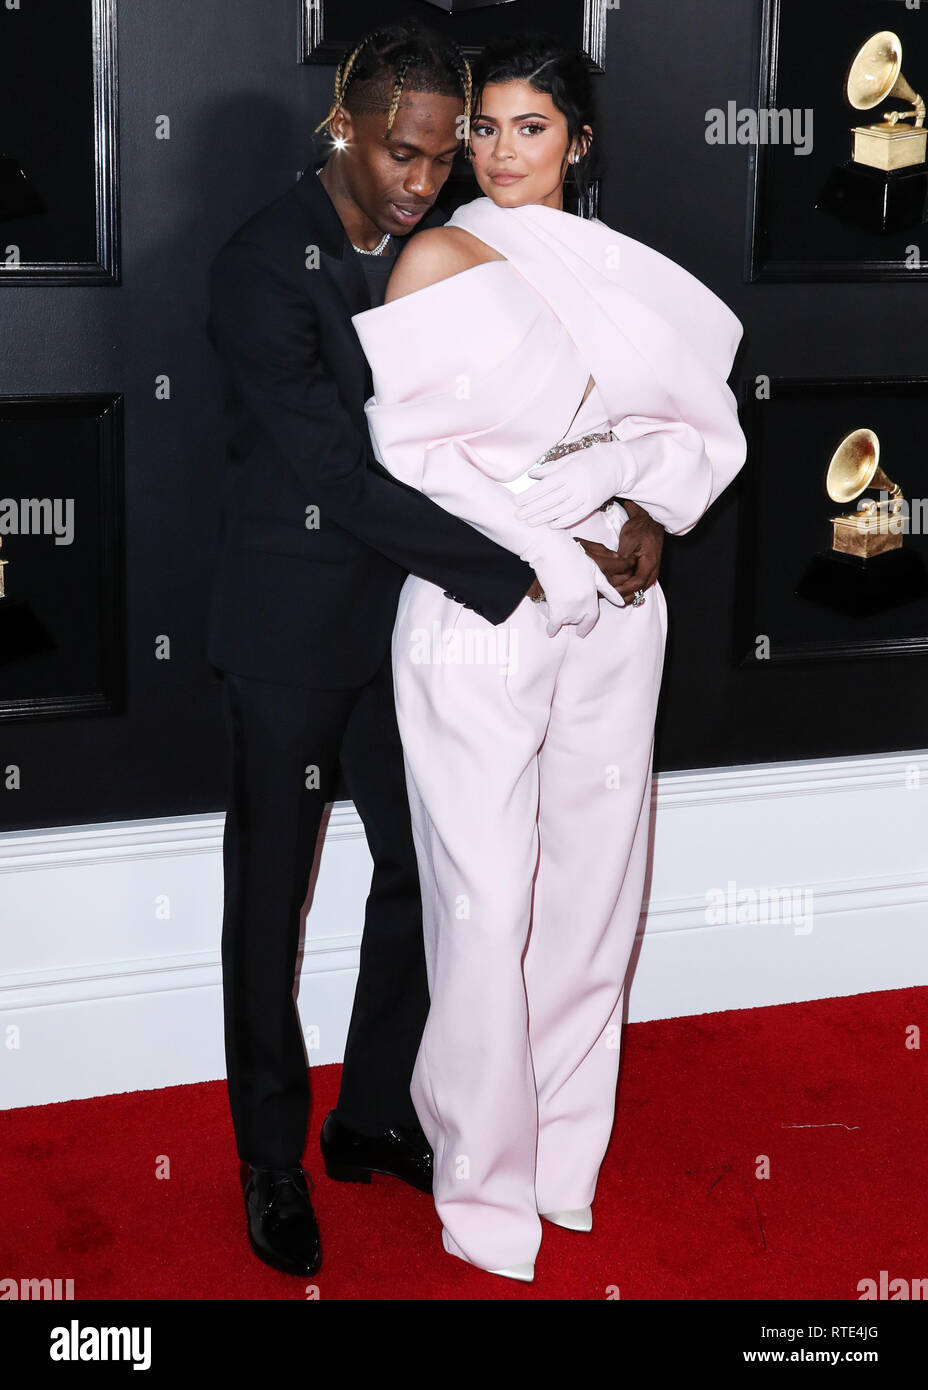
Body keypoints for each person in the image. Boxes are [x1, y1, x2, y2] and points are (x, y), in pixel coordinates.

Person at [204, 20, 661, 1278]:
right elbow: (341, 478)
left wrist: (620, 509)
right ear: (340, 127)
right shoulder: (260, 266)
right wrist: (523, 568)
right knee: (269, 906)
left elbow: (526, 424)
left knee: (431, 876)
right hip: (291, 634)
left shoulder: (446, 250)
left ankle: (369, 1118)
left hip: (408, 628)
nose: (421, 180)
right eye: (401, 155)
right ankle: (268, 1160)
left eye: (439, 157)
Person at [351, 34, 747, 1282]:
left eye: (530, 128)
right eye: (484, 129)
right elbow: (414, 461)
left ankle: (563, 1159)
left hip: (620, 608)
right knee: (485, 900)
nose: (499, 152)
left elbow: (693, 427)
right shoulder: (434, 255)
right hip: (485, 607)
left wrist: (647, 512)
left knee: (592, 893)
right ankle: (480, 1182)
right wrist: (557, 539)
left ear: (577, 142)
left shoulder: (628, 274)